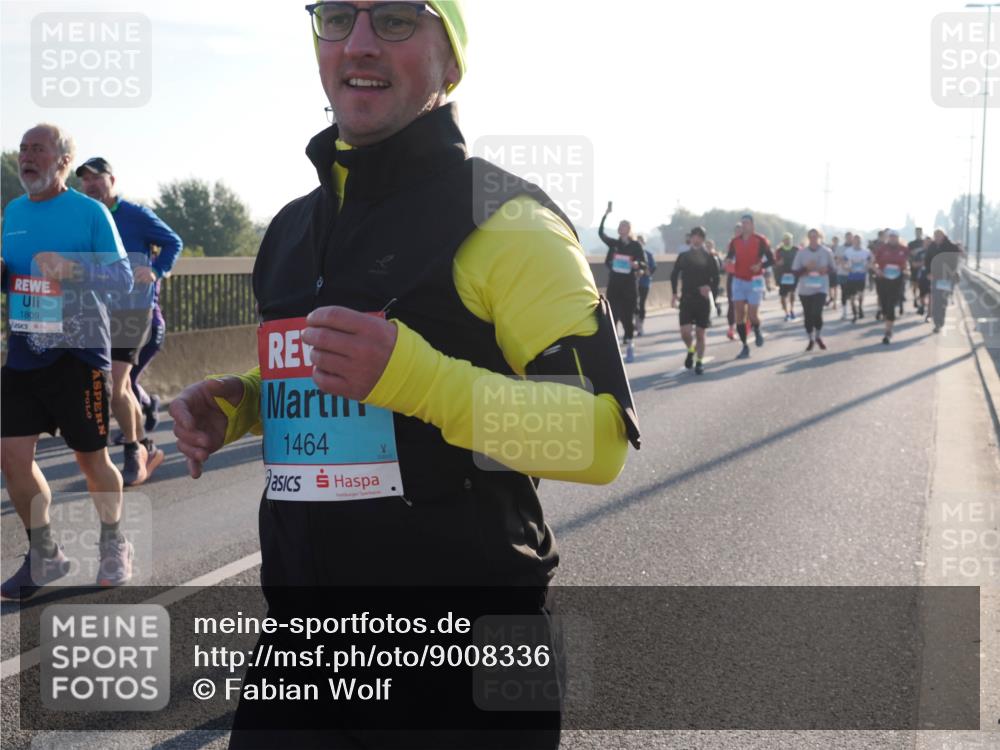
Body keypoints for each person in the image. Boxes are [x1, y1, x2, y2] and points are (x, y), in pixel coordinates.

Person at [169, 4, 640, 747]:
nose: (358, 42)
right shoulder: (291, 227)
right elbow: (330, 375)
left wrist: (416, 379)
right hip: (302, 651)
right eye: (337, 17)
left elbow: (599, 440)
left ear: (450, 62)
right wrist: (246, 403)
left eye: (393, 19)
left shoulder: (510, 220)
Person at [1, 124, 135, 599]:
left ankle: (114, 542)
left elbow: (124, 279)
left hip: (79, 354)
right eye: (23, 149)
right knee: (12, 458)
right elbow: (15, 275)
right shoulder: (13, 212)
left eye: (38, 149)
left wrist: (74, 269)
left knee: (91, 459)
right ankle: (45, 554)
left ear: (62, 160)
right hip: (24, 352)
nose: (26, 156)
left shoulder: (90, 212)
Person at [77, 157, 180, 485]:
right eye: (85, 180)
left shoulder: (135, 215)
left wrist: (156, 270)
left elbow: (173, 242)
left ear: (112, 180)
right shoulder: (85, 217)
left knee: (117, 383)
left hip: (134, 310)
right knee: (116, 386)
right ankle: (145, 446)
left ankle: (135, 450)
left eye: (97, 178)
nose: (91, 185)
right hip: (100, 311)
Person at [670, 226, 719, 375]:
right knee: (685, 333)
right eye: (694, 236)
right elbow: (674, 275)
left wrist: (709, 288)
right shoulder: (683, 256)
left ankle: (699, 362)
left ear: (703, 239)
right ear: (690, 238)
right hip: (686, 299)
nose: (696, 239)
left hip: (702, 301)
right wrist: (674, 293)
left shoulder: (709, 257)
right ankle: (691, 350)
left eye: (699, 236)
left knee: (700, 333)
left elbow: (716, 279)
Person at [600, 207, 646, 362]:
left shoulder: (635, 245)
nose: (621, 228)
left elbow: (643, 264)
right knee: (612, 317)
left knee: (627, 317)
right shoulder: (614, 244)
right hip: (614, 285)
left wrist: (637, 265)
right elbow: (601, 234)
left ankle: (630, 344)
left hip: (629, 286)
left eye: (624, 226)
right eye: (620, 226)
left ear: (629, 229)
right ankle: (613, 349)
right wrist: (605, 215)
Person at [725, 213, 773, 359]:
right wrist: (728, 260)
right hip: (738, 280)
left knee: (752, 315)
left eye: (747, 222)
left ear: (752, 225)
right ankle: (744, 346)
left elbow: (771, 260)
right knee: (739, 314)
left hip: (755, 279)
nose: (744, 225)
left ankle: (757, 330)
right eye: (742, 222)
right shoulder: (735, 241)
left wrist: (760, 265)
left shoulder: (760, 240)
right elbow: (730, 256)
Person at [791, 228, 835, 351]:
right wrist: (806, 268)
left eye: (815, 236)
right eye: (811, 236)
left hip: (821, 287)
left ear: (820, 237)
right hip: (805, 289)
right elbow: (795, 271)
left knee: (817, 312)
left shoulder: (826, 252)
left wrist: (825, 270)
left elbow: (833, 268)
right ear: (808, 238)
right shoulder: (801, 253)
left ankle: (818, 336)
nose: (813, 239)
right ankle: (811, 338)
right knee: (808, 315)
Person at [873, 229, 909, 344]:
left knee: (891, 305)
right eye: (891, 237)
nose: (893, 239)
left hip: (897, 280)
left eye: (895, 237)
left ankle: (888, 332)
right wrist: (877, 270)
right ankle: (886, 318)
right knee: (884, 305)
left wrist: (906, 270)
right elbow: (873, 263)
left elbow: (907, 263)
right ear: (888, 238)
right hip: (883, 279)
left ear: (898, 238)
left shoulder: (904, 249)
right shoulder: (882, 248)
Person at [925, 228, 961, 333]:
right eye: (935, 235)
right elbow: (927, 260)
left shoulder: (951, 246)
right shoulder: (931, 246)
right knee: (936, 300)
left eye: (939, 235)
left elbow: (955, 260)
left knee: (943, 300)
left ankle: (941, 321)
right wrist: (928, 272)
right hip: (935, 277)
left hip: (946, 277)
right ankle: (937, 323)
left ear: (943, 236)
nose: (937, 237)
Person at [842, 234, 871, 323]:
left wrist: (866, 267)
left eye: (859, 240)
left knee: (860, 295)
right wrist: (846, 268)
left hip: (861, 276)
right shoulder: (848, 251)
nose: (857, 242)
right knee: (852, 297)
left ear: (861, 241)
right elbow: (843, 262)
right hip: (851, 277)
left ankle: (860, 307)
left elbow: (870, 261)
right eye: (855, 240)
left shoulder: (866, 251)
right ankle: (854, 313)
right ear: (853, 241)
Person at [774, 231, 799, 321]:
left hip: (793, 275)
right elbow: (774, 263)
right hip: (783, 275)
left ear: (791, 240)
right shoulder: (779, 251)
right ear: (783, 240)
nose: (787, 241)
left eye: (789, 239)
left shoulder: (796, 249)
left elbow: (800, 261)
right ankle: (786, 313)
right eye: (785, 239)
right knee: (783, 295)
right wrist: (778, 263)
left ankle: (792, 309)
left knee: (792, 293)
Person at [635, 235, 656, 336]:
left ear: (644, 243)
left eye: (641, 241)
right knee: (634, 304)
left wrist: (647, 272)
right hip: (633, 283)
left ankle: (640, 325)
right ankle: (636, 322)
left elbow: (653, 267)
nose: (639, 243)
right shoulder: (632, 254)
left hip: (644, 283)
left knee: (641, 303)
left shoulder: (648, 254)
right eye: (637, 241)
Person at [706, 239, 725, 317]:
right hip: (706, 279)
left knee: (712, 297)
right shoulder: (703, 255)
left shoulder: (716, 256)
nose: (708, 247)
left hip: (715, 279)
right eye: (707, 246)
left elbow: (720, 267)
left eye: (709, 245)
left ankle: (717, 306)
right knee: (706, 298)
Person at [908, 227, 925, 311]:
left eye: (919, 232)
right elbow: (908, 255)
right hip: (914, 267)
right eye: (917, 232)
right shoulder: (911, 244)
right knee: (914, 284)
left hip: (923, 268)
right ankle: (915, 298)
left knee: (922, 285)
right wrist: (911, 263)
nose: (918, 234)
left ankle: (921, 300)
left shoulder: (924, 242)